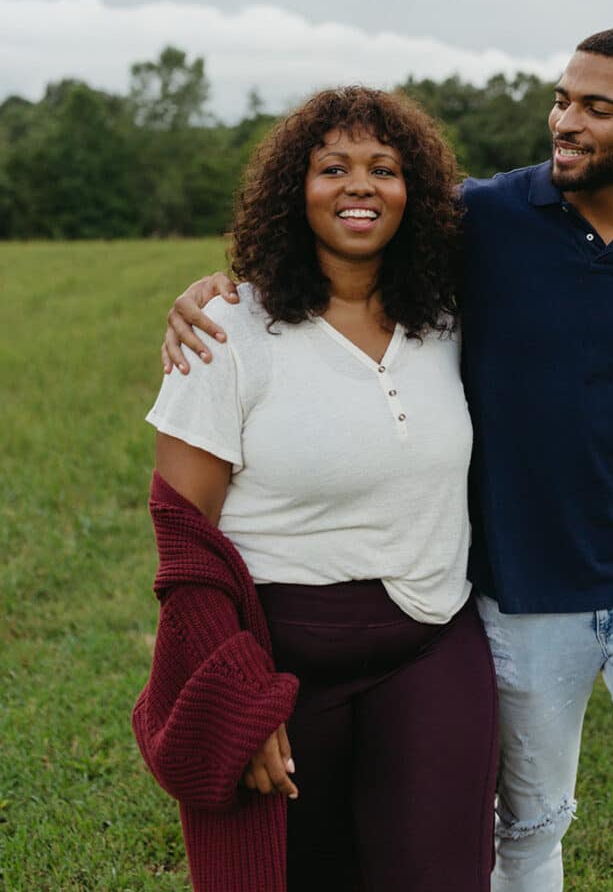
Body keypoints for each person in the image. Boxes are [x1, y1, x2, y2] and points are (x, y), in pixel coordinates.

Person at [162, 29, 613, 892]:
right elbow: (350, 216)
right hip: (520, 585)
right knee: (525, 829)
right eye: (562, 99)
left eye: (598, 109)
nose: (566, 120)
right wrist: (214, 290)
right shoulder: (484, 217)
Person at [134, 86, 498, 892]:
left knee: (440, 873)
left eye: (385, 168)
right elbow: (184, 539)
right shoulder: (228, 331)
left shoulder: (447, 321)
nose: (360, 185)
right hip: (283, 648)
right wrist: (241, 695)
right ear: (294, 192)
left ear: (416, 194)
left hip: (430, 636)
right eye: (333, 168)